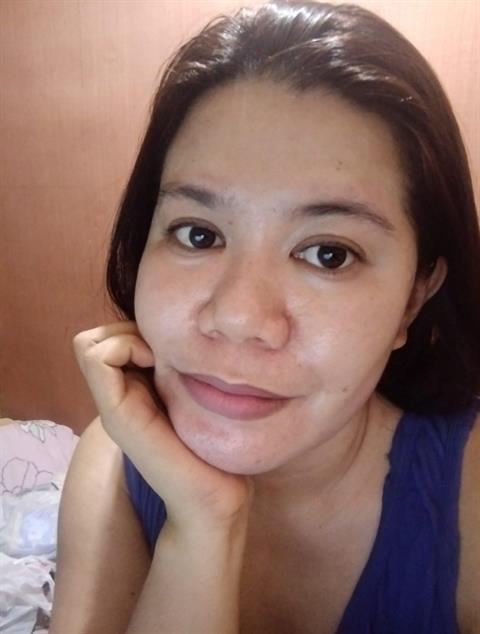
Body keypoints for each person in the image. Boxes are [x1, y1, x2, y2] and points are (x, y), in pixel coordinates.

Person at [49, 1, 480, 633]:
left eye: (329, 254)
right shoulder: (116, 464)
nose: (238, 317)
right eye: (198, 234)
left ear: (415, 296)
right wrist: (202, 525)